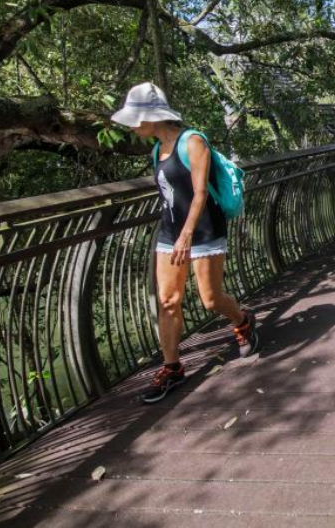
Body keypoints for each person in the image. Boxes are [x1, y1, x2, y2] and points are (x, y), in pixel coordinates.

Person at [111, 82, 260, 404]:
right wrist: (176, 235)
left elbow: (200, 193)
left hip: (203, 229)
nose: (132, 126)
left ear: (152, 116)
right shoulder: (156, 149)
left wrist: (187, 234)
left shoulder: (192, 142)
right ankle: (172, 367)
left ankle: (243, 319)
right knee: (167, 300)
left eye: (136, 119)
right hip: (170, 233)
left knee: (211, 299)